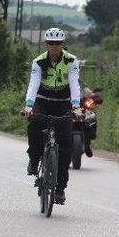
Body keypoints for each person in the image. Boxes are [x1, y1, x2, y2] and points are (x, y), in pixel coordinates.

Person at [24, 27, 82, 204]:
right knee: (33, 125)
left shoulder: (71, 61)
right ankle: (34, 159)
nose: (54, 46)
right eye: (51, 43)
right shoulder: (38, 62)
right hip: (43, 102)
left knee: (66, 147)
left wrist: (76, 106)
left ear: (62, 44)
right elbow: (33, 84)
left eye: (58, 43)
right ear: (46, 44)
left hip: (63, 103)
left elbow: (74, 83)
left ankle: (60, 189)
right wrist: (29, 105)